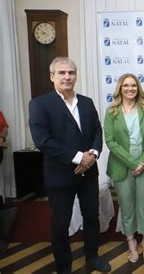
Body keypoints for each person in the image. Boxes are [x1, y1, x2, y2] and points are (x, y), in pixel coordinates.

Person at [29, 57, 110, 273]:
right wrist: (78, 157)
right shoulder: (39, 104)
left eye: (71, 73)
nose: (67, 77)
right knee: (61, 223)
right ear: (52, 76)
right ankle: (64, 266)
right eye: (62, 73)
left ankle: (92, 256)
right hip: (59, 175)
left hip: (88, 173)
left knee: (92, 217)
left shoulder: (86, 102)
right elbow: (42, 140)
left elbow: (96, 131)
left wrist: (92, 154)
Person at [104, 74, 144, 262]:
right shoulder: (112, 111)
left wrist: (142, 162)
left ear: (138, 88)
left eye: (133, 85)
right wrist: (133, 163)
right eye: (126, 85)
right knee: (126, 206)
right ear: (120, 88)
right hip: (121, 167)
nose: (130, 89)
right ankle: (130, 241)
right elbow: (110, 141)